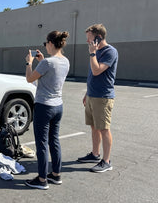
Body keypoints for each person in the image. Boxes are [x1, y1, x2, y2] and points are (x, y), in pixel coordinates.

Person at [24, 31, 70, 190]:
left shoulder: (47, 63)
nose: (45, 46)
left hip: (44, 106)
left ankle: (42, 179)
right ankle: (56, 175)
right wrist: (42, 60)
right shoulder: (65, 61)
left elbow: (30, 79)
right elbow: (51, 74)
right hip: (58, 106)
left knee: (42, 143)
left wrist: (29, 63)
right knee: (54, 140)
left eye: (45, 43)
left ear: (51, 43)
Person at [77, 24, 118, 173]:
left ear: (98, 37)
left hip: (103, 97)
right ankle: (95, 154)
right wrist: (87, 93)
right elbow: (92, 77)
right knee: (94, 127)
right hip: (92, 95)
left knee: (104, 128)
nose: (88, 42)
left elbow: (96, 71)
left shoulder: (110, 52)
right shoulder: (96, 51)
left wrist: (92, 54)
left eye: (89, 38)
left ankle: (106, 161)